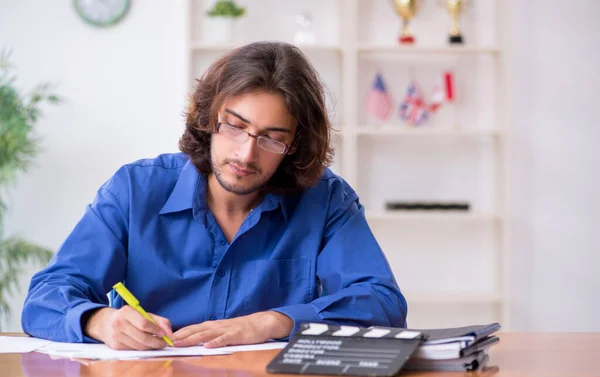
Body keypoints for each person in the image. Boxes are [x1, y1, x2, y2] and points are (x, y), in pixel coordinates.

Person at [22, 41, 407, 350]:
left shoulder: (326, 200)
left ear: (295, 146)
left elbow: (382, 303)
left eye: (272, 138)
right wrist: (100, 321)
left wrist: (273, 322)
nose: (245, 154)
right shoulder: (135, 191)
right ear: (208, 119)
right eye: (235, 127)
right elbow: (44, 300)